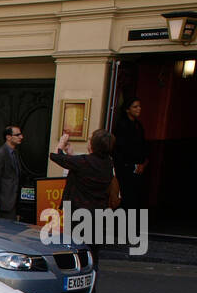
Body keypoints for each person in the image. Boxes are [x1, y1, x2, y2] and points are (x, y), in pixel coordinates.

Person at [50, 128, 116, 266]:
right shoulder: (108, 164)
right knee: (93, 252)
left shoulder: (84, 162)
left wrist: (61, 143)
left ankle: (76, 279)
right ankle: (92, 280)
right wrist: (71, 154)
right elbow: (82, 166)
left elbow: (56, 156)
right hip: (98, 214)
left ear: (92, 145)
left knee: (75, 250)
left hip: (78, 213)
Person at [113, 98, 149, 212]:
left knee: (136, 197)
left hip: (138, 168)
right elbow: (120, 149)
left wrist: (143, 163)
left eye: (139, 106)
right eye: (135, 106)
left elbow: (143, 146)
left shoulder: (138, 125)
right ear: (127, 110)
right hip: (124, 168)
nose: (139, 109)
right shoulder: (121, 126)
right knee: (124, 196)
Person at [0, 124, 24, 218]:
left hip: (14, 201)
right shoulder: (1, 154)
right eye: (18, 135)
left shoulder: (15, 153)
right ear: (8, 137)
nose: (21, 137)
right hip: (3, 203)